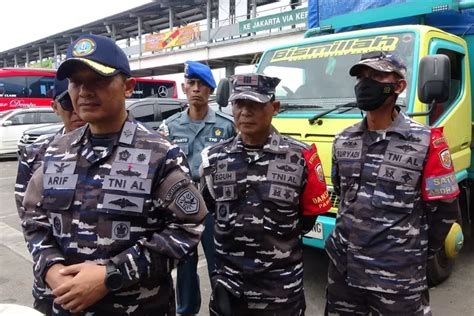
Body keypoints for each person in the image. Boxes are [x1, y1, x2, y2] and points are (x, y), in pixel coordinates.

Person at [21, 34, 207, 316]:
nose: (84, 91)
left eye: (97, 80)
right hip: (66, 306)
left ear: (128, 87)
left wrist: (112, 273)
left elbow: (188, 228)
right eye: (76, 82)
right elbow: (34, 219)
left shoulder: (160, 154)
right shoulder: (56, 151)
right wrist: (50, 268)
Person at [325, 51, 460, 315]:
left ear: (398, 86)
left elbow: (444, 212)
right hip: (344, 274)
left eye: (376, 76)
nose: (366, 83)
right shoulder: (344, 139)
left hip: (397, 279)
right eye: (362, 77)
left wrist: (408, 253)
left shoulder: (426, 141)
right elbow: (343, 194)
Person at [200, 73, 331, 315]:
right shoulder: (213, 158)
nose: (246, 112)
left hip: (280, 291)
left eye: (255, 104)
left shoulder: (301, 157)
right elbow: (208, 208)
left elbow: (308, 219)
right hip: (229, 290)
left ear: (275, 107)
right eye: (239, 104)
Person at [159, 60, 236, 316]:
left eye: (201, 84)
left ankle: (223, 309)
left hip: (216, 207)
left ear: (210, 90)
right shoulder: (170, 126)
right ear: (183, 87)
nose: (195, 89)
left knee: (219, 264)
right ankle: (186, 311)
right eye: (191, 83)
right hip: (182, 209)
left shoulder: (226, 125)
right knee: (185, 266)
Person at [15, 77, 86, 313]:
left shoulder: (123, 148)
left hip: (109, 286)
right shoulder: (36, 154)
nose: (77, 107)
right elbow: (30, 219)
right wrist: (54, 272)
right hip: (53, 285)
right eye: (67, 101)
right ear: (54, 107)